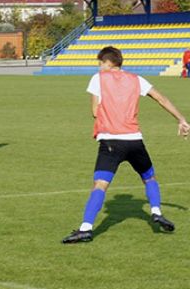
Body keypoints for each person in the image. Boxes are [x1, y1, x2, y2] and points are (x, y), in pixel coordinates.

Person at [62, 46, 190, 244]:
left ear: (107, 62)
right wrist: (181, 119)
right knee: (149, 177)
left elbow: (95, 112)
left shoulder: (99, 78)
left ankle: (85, 228)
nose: (99, 67)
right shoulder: (136, 79)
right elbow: (161, 98)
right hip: (134, 140)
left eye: (100, 63)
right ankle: (156, 212)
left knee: (100, 185)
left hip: (111, 141)